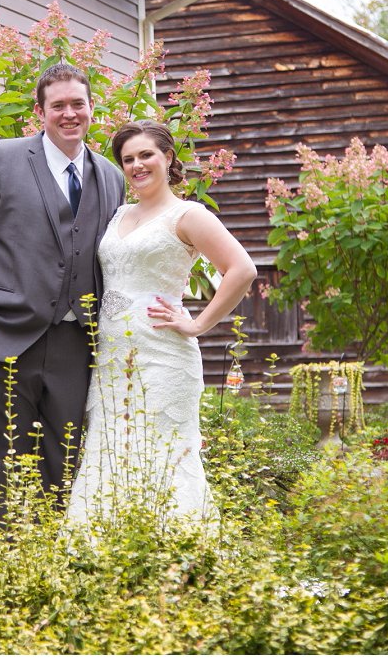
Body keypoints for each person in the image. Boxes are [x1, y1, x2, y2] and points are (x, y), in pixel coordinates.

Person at [0, 63, 125, 520]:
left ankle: (48, 568)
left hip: (75, 342)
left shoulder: (111, 176)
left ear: (91, 109)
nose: (69, 114)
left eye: (77, 104)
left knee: (64, 463)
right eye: (58, 105)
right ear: (39, 112)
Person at [66, 121, 256, 528]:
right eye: (128, 159)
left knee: (163, 454)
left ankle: (179, 557)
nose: (137, 165)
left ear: (168, 158)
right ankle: (108, 558)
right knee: (111, 452)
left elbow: (241, 269)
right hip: (112, 359)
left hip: (162, 355)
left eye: (146, 155)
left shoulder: (187, 215)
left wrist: (198, 324)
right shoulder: (118, 214)